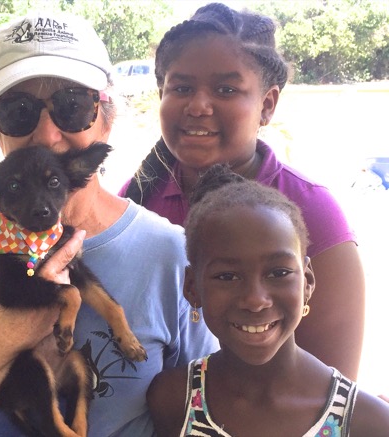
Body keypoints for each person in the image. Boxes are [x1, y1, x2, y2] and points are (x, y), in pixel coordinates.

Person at [0, 11, 218, 437]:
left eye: (73, 107)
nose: (48, 136)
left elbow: (206, 404)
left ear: (107, 115)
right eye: (19, 112)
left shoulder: (170, 250)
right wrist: (11, 333)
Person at [120, 2, 364, 380]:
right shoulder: (136, 201)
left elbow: (333, 393)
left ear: (267, 105)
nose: (198, 106)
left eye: (226, 89)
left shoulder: (312, 211)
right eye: (181, 87)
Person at [147, 164, 389, 437]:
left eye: (279, 272)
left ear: (307, 282)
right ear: (192, 288)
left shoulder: (365, 422)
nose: (255, 300)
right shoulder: (173, 400)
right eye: (227, 276)